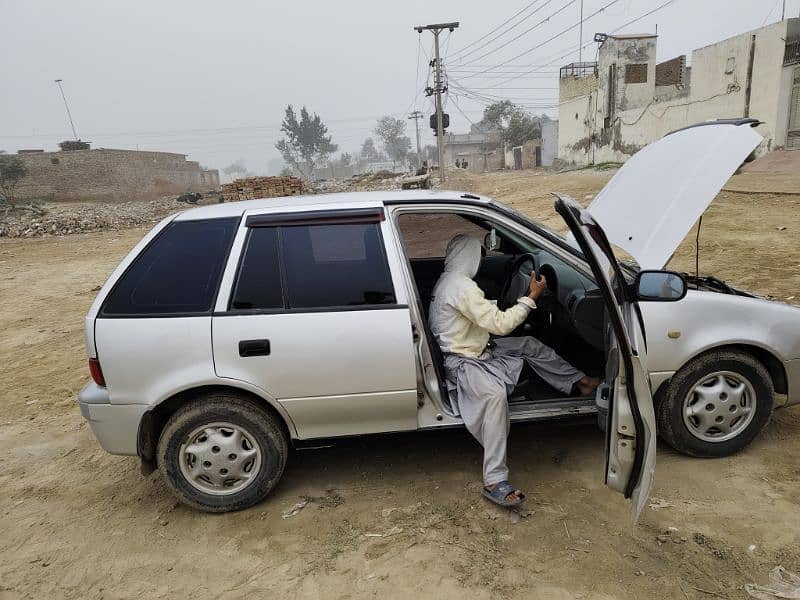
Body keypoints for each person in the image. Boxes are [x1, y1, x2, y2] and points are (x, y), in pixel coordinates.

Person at [428, 234, 599, 507]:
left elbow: (485, 317)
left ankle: (582, 382)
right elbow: (502, 324)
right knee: (494, 398)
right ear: (470, 256)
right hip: (465, 361)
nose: (483, 259)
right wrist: (531, 297)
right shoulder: (461, 287)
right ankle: (494, 478)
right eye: (480, 253)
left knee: (530, 344)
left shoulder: (448, 281)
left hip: (478, 347)